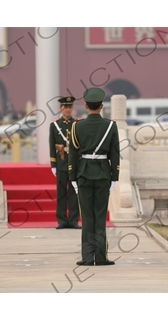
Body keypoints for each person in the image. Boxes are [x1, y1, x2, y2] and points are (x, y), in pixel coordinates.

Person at [69, 88, 120, 266]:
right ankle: (101, 256)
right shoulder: (111, 126)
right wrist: (115, 177)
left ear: (85, 106)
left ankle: (87, 257)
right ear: (101, 106)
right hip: (103, 174)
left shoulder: (77, 126)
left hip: (83, 174)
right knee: (100, 216)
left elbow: (73, 154)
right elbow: (115, 153)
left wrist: (72, 177)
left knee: (87, 217)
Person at [49, 96, 80, 230]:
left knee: (74, 193)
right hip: (61, 163)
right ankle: (61, 220)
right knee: (61, 193)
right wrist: (53, 164)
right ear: (61, 108)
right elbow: (51, 145)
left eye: (70, 107)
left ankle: (73, 220)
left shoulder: (77, 124)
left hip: (74, 164)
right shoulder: (55, 125)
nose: (68, 110)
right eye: (65, 107)